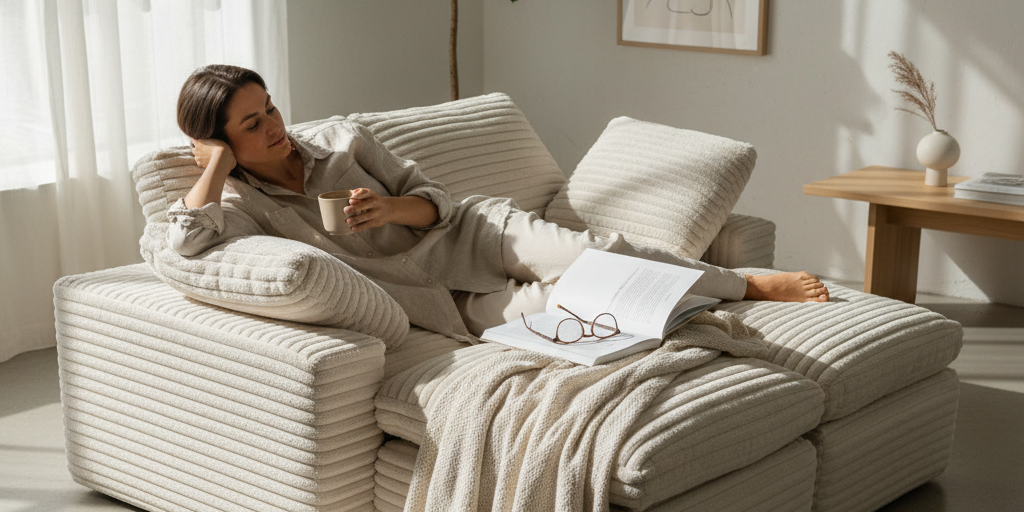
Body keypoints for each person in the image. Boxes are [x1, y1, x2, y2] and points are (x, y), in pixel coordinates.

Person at [170, 65, 828, 343]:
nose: (273, 127)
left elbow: (438, 201)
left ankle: (743, 285)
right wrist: (219, 167)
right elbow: (182, 245)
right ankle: (693, 309)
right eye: (249, 125)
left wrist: (390, 210)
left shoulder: (344, 138)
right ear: (219, 142)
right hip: (439, 302)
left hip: (475, 233)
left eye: (270, 108)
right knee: (583, 302)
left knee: (601, 252)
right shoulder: (246, 206)